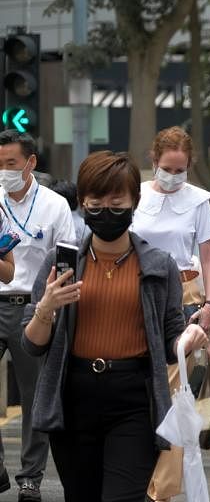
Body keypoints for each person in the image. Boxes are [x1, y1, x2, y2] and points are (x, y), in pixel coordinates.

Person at [20, 150, 209, 501]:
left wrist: (188, 337)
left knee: (125, 496)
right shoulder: (61, 263)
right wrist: (46, 307)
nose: (106, 210)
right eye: (96, 202)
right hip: (74, 396)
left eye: (117, 202)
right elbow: (32, 344)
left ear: (134, 203)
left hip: (134, 398)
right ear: (82, 204)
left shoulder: (157, 265)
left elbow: (170, 338)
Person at [131, 126, 210, 501]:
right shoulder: (133, 196)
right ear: (153, 162)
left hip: (185, 295)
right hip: (139, 293)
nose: (173, 176)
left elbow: (209, 255)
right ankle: (141, 481)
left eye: (180, 169)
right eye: (167, 168)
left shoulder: (198, 200)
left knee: (175, 395)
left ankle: (160, 491)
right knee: (141, 396)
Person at [0, 129, 75, 501]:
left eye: (10, 164)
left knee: (34, 396)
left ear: (30, 163)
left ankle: (30, 476)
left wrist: (52, 308)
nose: (4, 171)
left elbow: (66, 258)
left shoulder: (53, 205)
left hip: (33, 307)